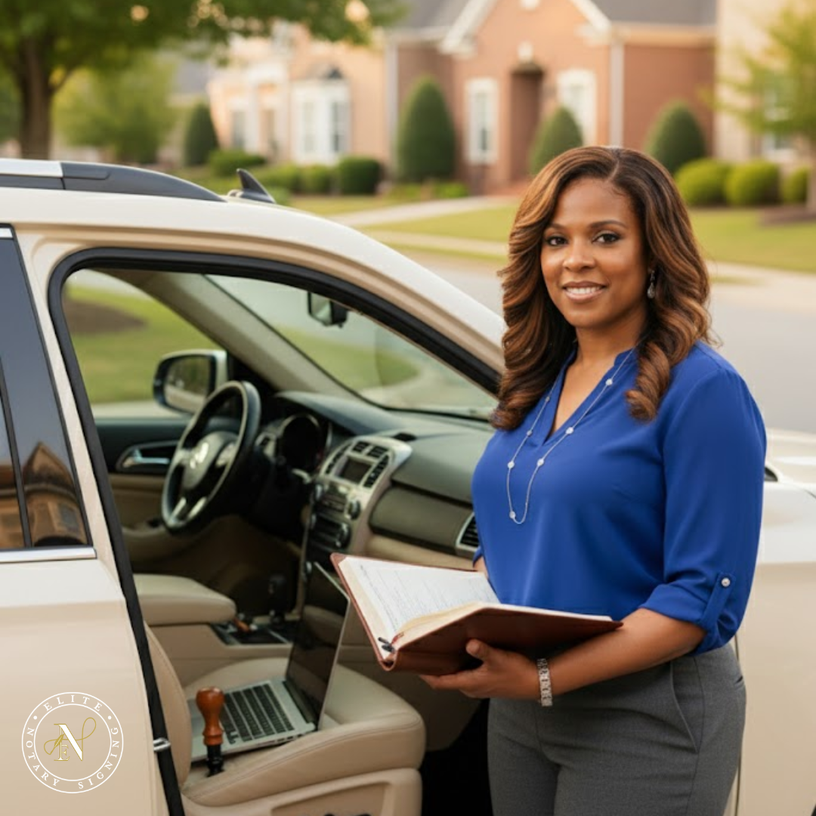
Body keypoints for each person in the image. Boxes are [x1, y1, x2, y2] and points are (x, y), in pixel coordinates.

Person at [422, 146, 766, 816]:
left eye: (604, 237)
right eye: (556, 240)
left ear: (654, 253)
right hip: (522, 705)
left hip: (645, 716)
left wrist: (543, 678)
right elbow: (521, 525)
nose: (574, 259)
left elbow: (697, 599)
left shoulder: (704, 392)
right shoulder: (538, 379)